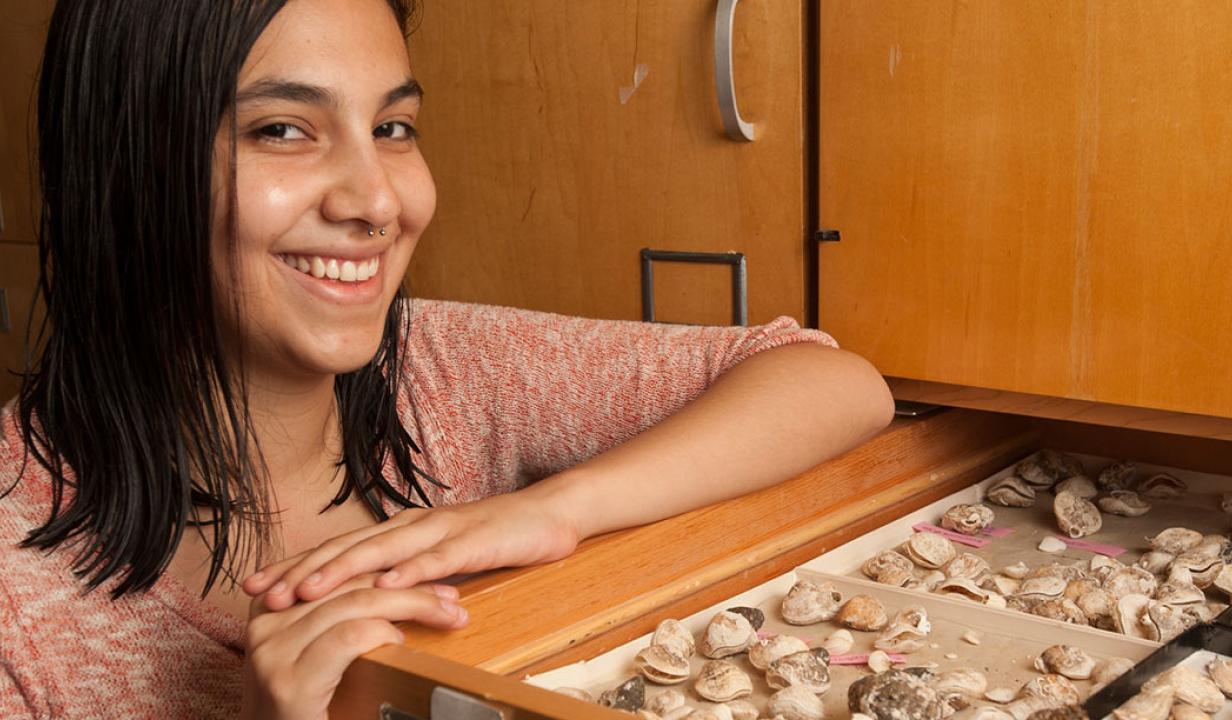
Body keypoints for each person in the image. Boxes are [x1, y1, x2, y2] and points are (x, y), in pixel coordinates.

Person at [0, 0, 894, 717]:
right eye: (281, 129)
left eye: (393, 127)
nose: (379, 201)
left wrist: (555, 509)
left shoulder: (442, 363)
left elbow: (832, 381)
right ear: (121, 165)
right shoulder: (18, 611)